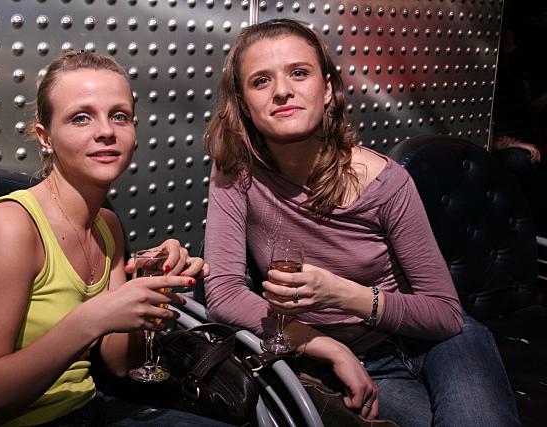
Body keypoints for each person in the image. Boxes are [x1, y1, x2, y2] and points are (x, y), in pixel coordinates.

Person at [203, 18, 521, 427]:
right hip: (347, 363)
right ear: (244, 103)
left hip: (437, 344)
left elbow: (445, 314)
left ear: (327, 89)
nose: (282, 90)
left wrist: (340, 293)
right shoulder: (235, 174)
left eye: (299, 73)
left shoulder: (385, 181)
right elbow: (224, 294)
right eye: (261, 80)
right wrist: (326, 346)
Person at [0, 52, 231, 427]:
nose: (106, 131)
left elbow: (121, 362)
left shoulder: (107, 225)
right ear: (46, 137)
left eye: (119, 116)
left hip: (85, 408)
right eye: (81, 117)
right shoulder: (11, 227)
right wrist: (91, 319)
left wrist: (150, 288)